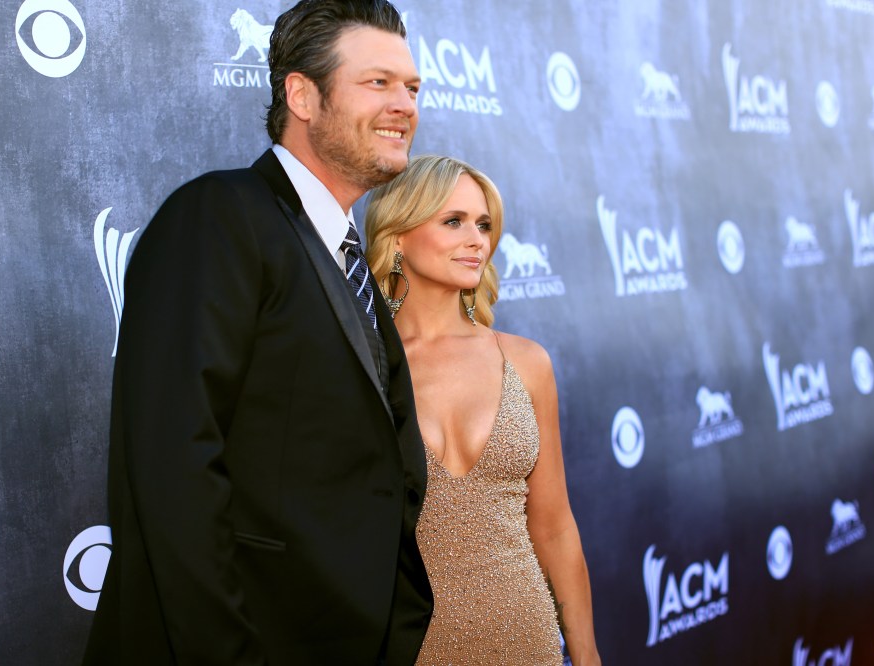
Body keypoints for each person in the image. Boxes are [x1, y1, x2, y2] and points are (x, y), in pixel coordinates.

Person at [83, 2, 433, 664]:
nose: (404, 105)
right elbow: (174, 466)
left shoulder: (347, 255)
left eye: (411, 88)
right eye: (377, 83)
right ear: (301, 95)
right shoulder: (218, 217)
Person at [364, 155, 601, 666]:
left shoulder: (525, 361)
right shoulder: (362, 367)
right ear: (398, 236)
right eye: (454, 222)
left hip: (525, 637)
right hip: (403, 646)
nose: (478, 240)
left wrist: (584, 652)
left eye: (485, 224)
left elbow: (555, 526)